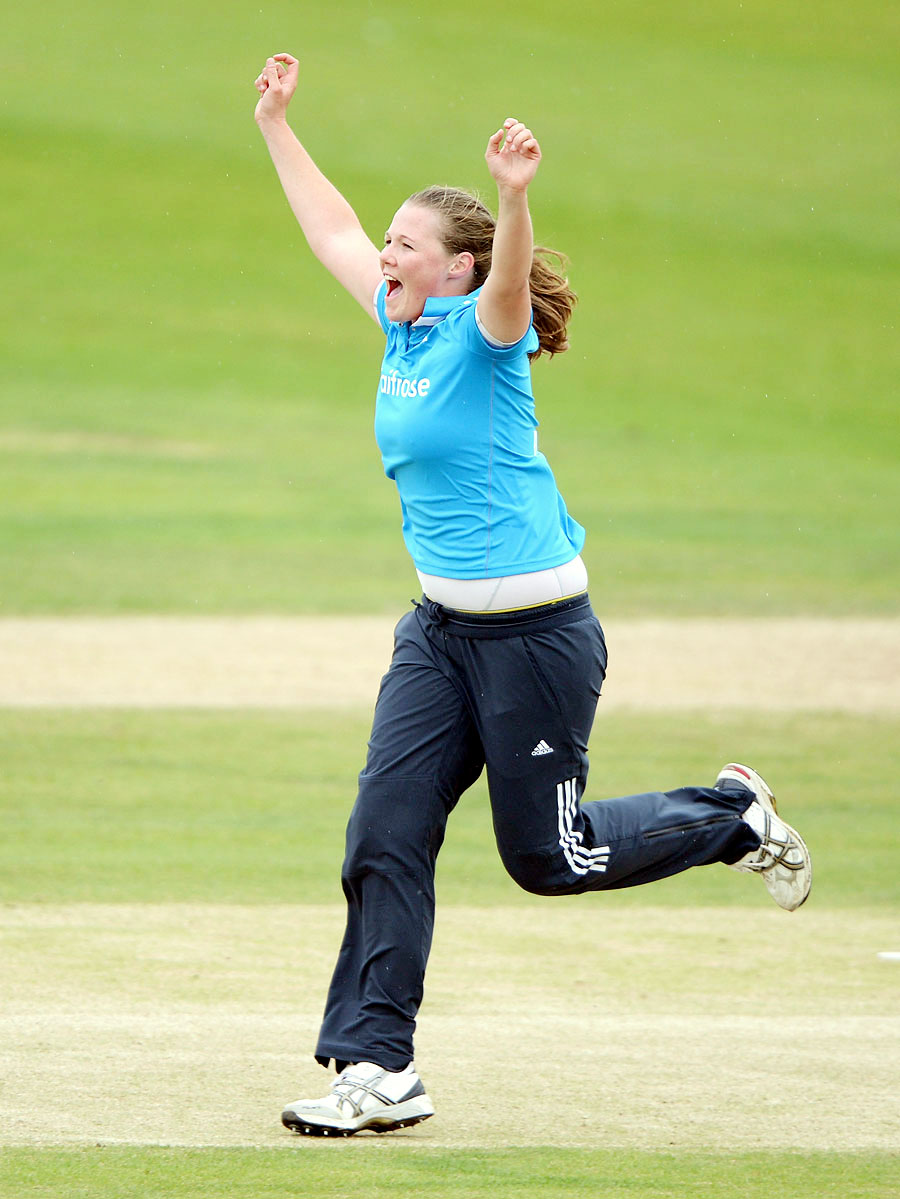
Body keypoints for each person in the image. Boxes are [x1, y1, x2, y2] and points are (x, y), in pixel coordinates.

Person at [253, 53, 812, 1138]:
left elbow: (510, 288)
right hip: (441, 634)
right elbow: (328, 225)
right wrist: (277, 124)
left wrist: (512, 200)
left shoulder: (482, 334)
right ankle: (378, 1067)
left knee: (550, 858)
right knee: (384, 831)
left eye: (409, 245)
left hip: (538, 639)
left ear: (455, 271)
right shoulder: (400, 322)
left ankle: (731, 814)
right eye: (393, 242)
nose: (387, 253)